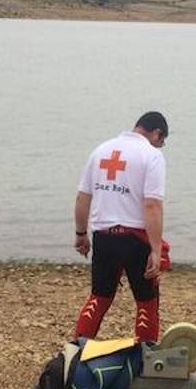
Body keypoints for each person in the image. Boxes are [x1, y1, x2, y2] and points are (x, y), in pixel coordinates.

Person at [72, 111, 168, 343]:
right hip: (135, 240)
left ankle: (75, 352)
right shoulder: (151, 156)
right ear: (156, 133)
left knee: (99, 297)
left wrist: (81, 234)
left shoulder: (101, 150)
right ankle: (145, 358)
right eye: (162, 140)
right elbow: (152, 204)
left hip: (104, 237)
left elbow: (83, 197)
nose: (161, 145)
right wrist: (156, 250)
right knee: (146, 302)